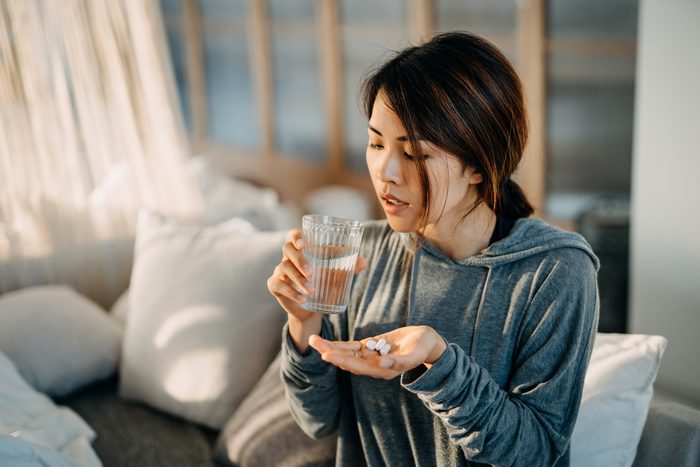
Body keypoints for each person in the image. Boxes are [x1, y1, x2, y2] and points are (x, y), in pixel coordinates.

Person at [267, 31, 599, 467]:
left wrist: (440, 363)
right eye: (376, 143)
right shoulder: (361, 252)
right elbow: (318, 422)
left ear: (480, 166)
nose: (385, 172)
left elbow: (535, 452)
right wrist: (304, 324)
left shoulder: (555, 271)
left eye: (415, 154)